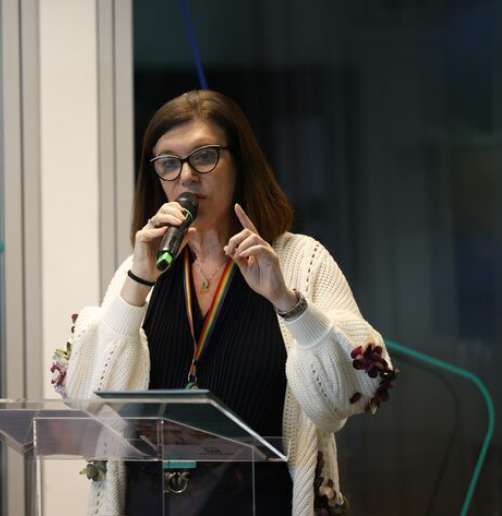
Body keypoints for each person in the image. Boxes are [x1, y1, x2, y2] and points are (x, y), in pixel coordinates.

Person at [57, 90, 396, 516]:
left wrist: (287, 302)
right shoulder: (144, 268)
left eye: (204, 157)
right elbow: (90, 401)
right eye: (168, 163)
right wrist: (137, 283)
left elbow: (346, 398)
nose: (186, 176)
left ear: (240, 163)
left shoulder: (300, 261)